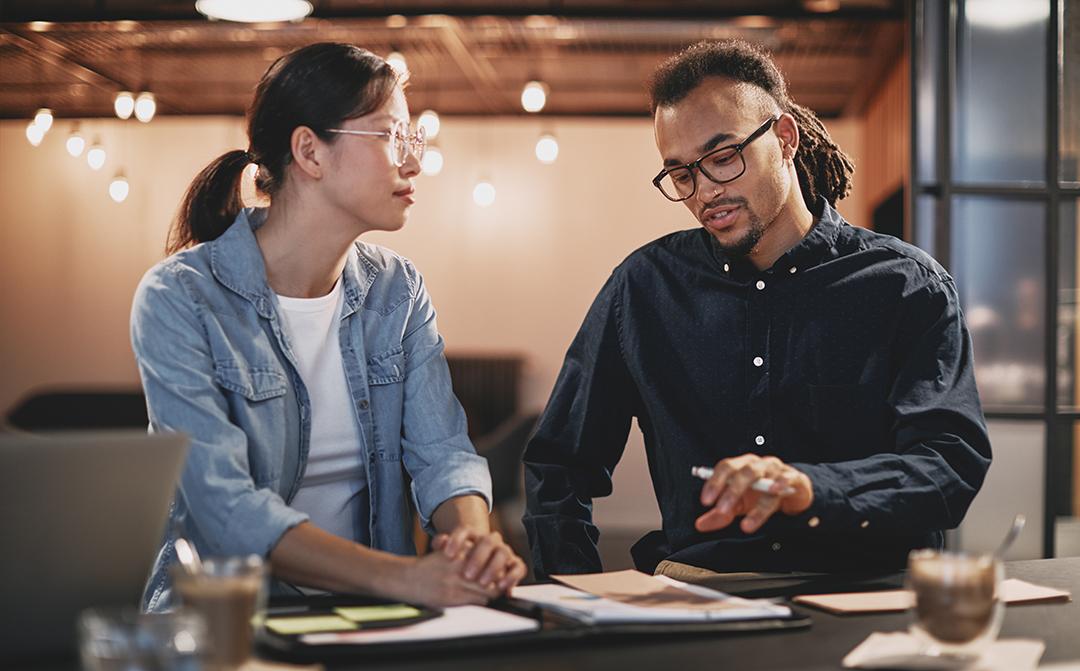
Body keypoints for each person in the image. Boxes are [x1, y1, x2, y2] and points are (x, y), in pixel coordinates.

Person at [522, 40, 991, 579]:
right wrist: (570, 594)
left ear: (785, 138)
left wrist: (813, 489)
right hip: (699, 591)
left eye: (724, 158)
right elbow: (559, 464)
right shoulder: (643, 288)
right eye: (682, 175)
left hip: (863, 591)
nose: (705, 192)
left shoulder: (906, 285)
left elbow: (949, 464)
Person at [132, 42, 525, 611]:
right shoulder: (179, 297)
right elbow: (225, 509)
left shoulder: (397, 290)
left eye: (412, 139)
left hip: (369, 615)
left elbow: (444, 454)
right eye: (390, 136)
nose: (413, 163)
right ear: (310, 152)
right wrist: (403, 578)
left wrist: (473, 545)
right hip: (226, 622)